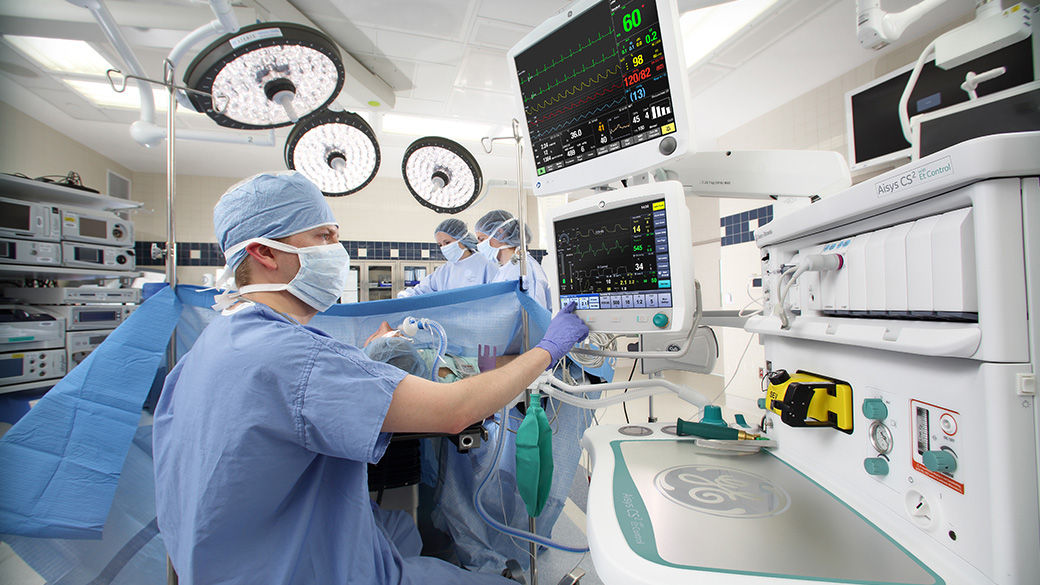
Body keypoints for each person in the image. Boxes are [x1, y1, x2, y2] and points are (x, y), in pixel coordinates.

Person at [152, 172, 589, 585]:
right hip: (302, 569)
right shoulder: (294, 357)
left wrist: (364, 360)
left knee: (399, 527)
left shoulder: (212, 344)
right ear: (263, 253)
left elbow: (294, 394)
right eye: (324, 237)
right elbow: (457, 410)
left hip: (227, 561)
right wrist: (548, 348)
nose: (336, 250)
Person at [474, 210, 552, 310]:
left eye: (481, 239)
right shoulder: (505, 268)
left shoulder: (524, 268)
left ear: (500, 233)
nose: (479, 245)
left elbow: (534, 312)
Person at [398, 218, 496, 298]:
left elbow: (497, 297)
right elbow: (421, 290)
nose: (444, 248)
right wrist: (405, 296)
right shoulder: (444, 271)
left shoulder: (485, 264)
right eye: (440, 245)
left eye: (447, 242)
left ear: (462, 239)